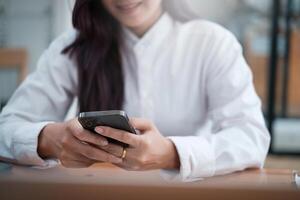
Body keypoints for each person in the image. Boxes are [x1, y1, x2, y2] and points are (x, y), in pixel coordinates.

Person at [0, 0, 270, 182]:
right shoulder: (72, 48)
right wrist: (52, 139)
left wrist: (171, 152)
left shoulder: (213, 43)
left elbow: (251, 138)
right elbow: (6, 128)